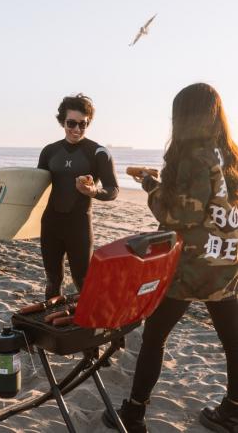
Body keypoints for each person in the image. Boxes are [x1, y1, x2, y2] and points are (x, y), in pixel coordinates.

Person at [102, 83, 238, 433]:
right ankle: (234, 409)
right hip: (227, 261)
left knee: (154, 336)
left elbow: (180, 214)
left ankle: (133, 412)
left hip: (192, 265)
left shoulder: (196, 154)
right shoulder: (231, 154)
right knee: (233, 340)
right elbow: (212, 203)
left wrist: (152, 187)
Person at [38, 93, 119, 300]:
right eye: (71, 123)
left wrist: (94, 192)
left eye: (83, 124)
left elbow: (113, 190)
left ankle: (84, 328)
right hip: (50, 224)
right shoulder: (49, 151)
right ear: (62, 122)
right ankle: (52, 327)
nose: (77, 129)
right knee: (52, 281)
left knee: (83, 282)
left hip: (79, 225)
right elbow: (37, 188)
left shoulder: (99, 152)